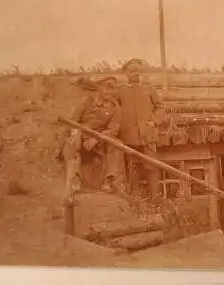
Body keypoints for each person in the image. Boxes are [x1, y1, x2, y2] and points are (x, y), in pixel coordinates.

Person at [57, 76, 125, 205]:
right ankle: (75, 180)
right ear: (99, 87)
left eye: (113, 88)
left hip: (99, 141)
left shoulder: (115, 109)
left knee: (117, 144)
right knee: (73, 142)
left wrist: (96, 139)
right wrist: (76, 133)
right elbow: (73, 121)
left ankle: (108, 181)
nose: (110, 91)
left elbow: (113, 129)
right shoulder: (86, 102)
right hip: (81, 136)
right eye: (108, 87)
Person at [115, 58, 165, 200]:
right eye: (132, 71)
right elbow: (115, 111)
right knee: (131, 167)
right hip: (128, 135)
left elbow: (160, 107)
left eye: (137, 70)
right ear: (126, 73)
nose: (135, 74)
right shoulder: (121, 91)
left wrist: (154, 122)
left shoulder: (148, 88)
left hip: (147, 135)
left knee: (152, 166)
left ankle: (155, 198)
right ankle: (136, 199)